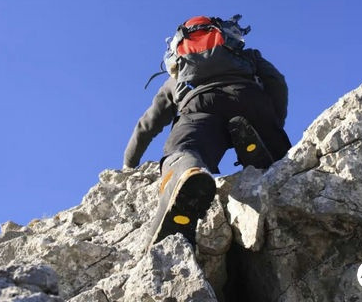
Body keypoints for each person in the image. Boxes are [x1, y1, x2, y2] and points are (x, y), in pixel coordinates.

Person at [123, 15, 291, 249]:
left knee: (185, 149)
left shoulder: (178, 77)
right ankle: (257, 141)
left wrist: (129, 165)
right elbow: (276, 81)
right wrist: (274, 122)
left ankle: (187, 170)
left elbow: (147, 124)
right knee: (271, 147)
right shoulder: (246, 56)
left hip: (198, 104)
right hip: (249, 97)